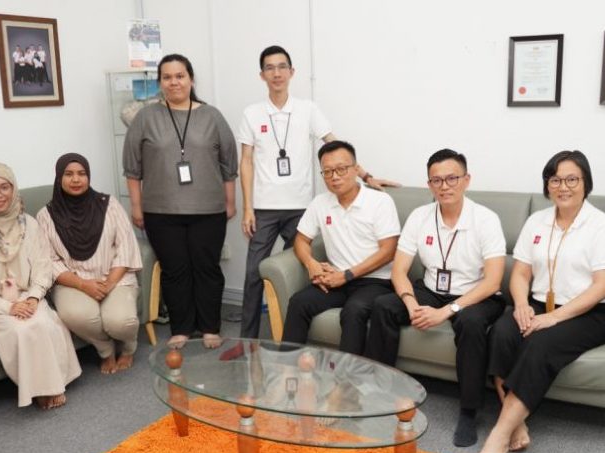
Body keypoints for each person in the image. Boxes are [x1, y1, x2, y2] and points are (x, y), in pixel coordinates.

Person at [471, 150, 605, 453]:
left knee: (540, 343)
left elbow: (604, 286)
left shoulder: (602, 226)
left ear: (585, 183)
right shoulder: (537, 221)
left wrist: (553, 318)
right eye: (555, 180)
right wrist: (522, 305)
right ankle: (517, 423)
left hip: (591, 312)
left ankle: (499, 435)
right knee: (501, 333)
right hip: (538, 304)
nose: (563, 187)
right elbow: (521, 272)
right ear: (547, 185)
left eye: (571, 179)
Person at [237, 45, 398, 339]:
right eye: (270, 68)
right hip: (264, 206)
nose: (276, 73)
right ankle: (246, 340)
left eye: (282, 67)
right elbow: (246, 161)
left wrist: (365, 175)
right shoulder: (252, 113)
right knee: (253, 274)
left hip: (300, 206)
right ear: (262, 75)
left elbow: (334, 146)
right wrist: (248, 207)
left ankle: (290, 333)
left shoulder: (307, 109)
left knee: (295, 273)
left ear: (292, 72)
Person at [364, 149, 506, 447]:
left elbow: (493, 281)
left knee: (470, 323)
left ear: (466, 180)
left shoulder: (486, 219)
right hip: (430, 289)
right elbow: (399, 271)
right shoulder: (420, 216)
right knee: (383, 306)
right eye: (437, 180)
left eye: (452, 178)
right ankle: (382, 393)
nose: (444, 186)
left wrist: (446, 311)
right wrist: (411, 303)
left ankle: (469, 411)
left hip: (476, 293)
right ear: (429, 185)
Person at [123, 53, 238, 349]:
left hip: (208, 209)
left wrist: (230, 201)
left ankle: (210, 327)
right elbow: (132, 168)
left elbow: (228, 163)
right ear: (160, 82)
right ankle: (182, 328)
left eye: (180, 76)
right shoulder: (145, 117)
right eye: (167, 77)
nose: (174, 82)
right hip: (160, 211)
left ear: (191, 79)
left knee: (207, 268)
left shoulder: (212, 116)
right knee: (175, 271)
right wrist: (136, 207)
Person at [0, 162, 81, 409]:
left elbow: (43, 266)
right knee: (22, 329)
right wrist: (7, 307)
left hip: (27, 296)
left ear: (13, 188)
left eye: (4, 187)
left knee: (43, 322)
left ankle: (52, 385)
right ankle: (41, 390)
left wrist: (33, 298)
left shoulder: (29, 223)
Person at [281, 140, 399, 354]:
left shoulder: (380, 201)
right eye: (327, 172)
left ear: (356, 169)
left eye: (341, 169)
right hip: (336, 279)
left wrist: (347, 275)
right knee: (299, 302)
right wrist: (311, 264)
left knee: (354, 311)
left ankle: (345, 374)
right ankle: (287, 368)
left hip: (375, 281)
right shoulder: (320, 203)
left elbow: (389, 250)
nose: (334, 176)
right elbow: (301, 240)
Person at [38, 153, 143, 374]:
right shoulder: (46, 216)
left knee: (121, 321)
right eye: (69, 174)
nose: (76, 179)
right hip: (73, 281)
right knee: (77, 316)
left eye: (82, 174)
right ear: (59, 178)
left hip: (115, 276)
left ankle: (128, 347)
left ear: (88, 176)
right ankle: (105, 350)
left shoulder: (110, 205)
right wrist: (84, 285)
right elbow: (49, 261)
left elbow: (126, 246)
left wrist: (109, 283)